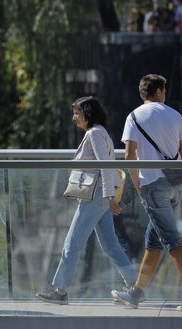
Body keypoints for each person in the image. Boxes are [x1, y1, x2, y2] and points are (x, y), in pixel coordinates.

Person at [113, 74, 182, 312]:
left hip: (152, 186)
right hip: (175, 186)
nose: (165, 94)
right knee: (154, 240)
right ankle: (136, 293)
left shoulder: (133, 117)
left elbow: (128, 157)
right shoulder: (175, 115)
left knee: (171, 241)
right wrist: (176, 180)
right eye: (164, 90)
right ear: (157, 92)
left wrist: (139, 186)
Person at [36, 96, 136, 305]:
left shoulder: (95, 134)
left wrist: (109, 196)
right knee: (111, 245)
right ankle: (135, 286)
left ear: (87, 114)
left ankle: (60, 291)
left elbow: (105, 166)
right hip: (100, 196)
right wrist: (108, 196)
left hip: (95, 197)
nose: (74, 117)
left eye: (77, 113)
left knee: (71, 243)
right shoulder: (99, 133)